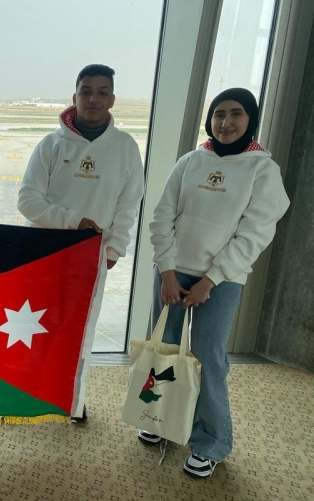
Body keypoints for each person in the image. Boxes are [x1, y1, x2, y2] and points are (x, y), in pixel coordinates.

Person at [144, 87, 289, 478]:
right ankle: (158, 416)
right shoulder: (191, 161)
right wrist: (167, 270)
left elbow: (255, 234)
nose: (226, 122)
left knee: (208, 356)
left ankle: (211, 442)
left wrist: (211, 279)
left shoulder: (263, 170)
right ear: (209, 120)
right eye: (219, 114)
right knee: (165, 347)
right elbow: (162, 216)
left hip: (222, 278)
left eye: (236, 113)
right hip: (173, 270)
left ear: (250, 119)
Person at [17, 64, 145, 421]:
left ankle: (72, 399)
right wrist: (74, 222)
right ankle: (22, 393)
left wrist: (115, 247)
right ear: (74, 97)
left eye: (102, 92)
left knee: (77, 330)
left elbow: (129, 204)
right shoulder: (51, 144)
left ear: (113, 99)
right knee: (34, 326)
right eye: (86, 92)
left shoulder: (125, 147)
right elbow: (27, 201)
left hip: (91, 257)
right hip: (42, 253)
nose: (93, 99)